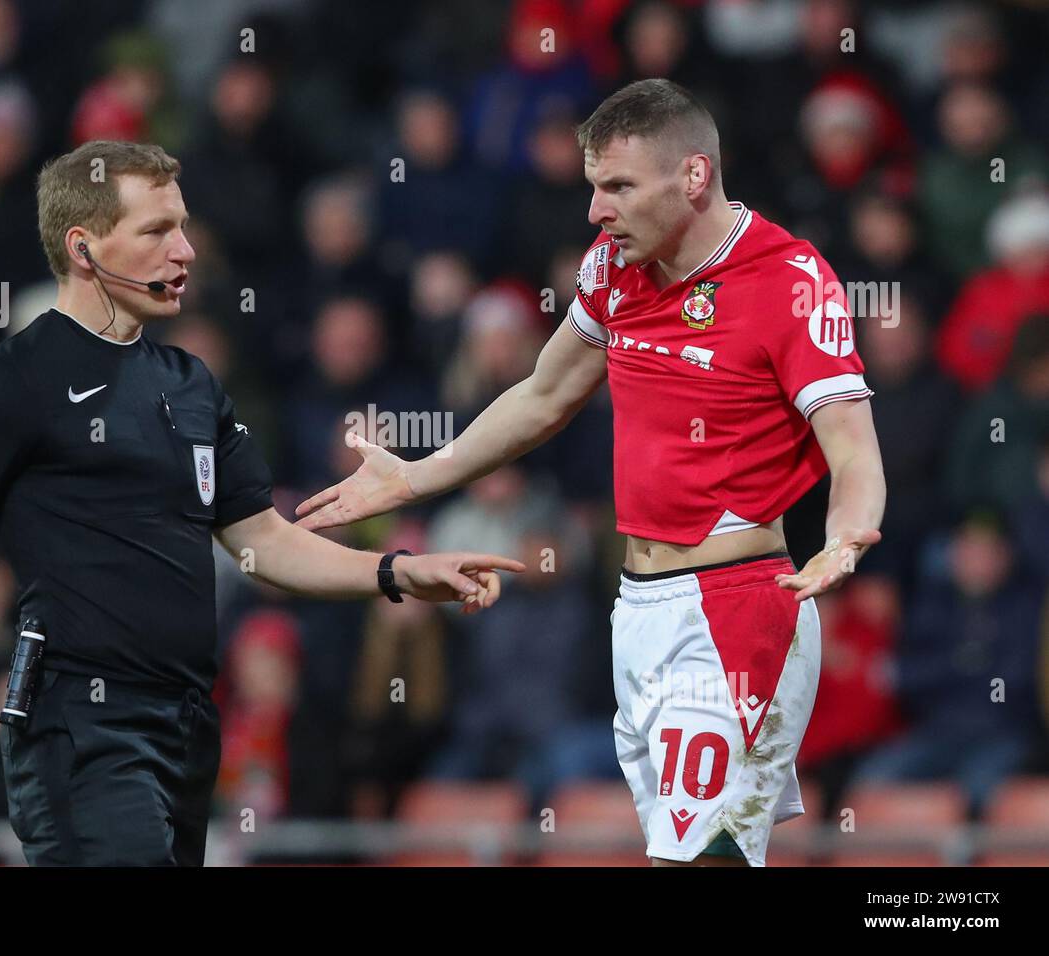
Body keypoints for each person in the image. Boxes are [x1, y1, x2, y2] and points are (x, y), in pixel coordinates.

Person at [0, 140, 524, 866]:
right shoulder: (7, 383)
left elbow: (264, 543)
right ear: (84, 247)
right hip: (81, 726)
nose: (186, 250)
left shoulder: (191, 384)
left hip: (190, 725)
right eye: (158, 231)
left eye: (184, 226)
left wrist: (395, 571)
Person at [296, 80, 887, 867]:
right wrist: (415, 478)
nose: (596, 211)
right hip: (637, 611)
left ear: (694, 176)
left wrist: (845, 539)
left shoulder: (787, 277)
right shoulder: (613, 266)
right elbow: (543, 395)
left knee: (697, 859)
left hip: (736, 611)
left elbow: (852, 448)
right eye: (593, 187)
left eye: (618, 187)